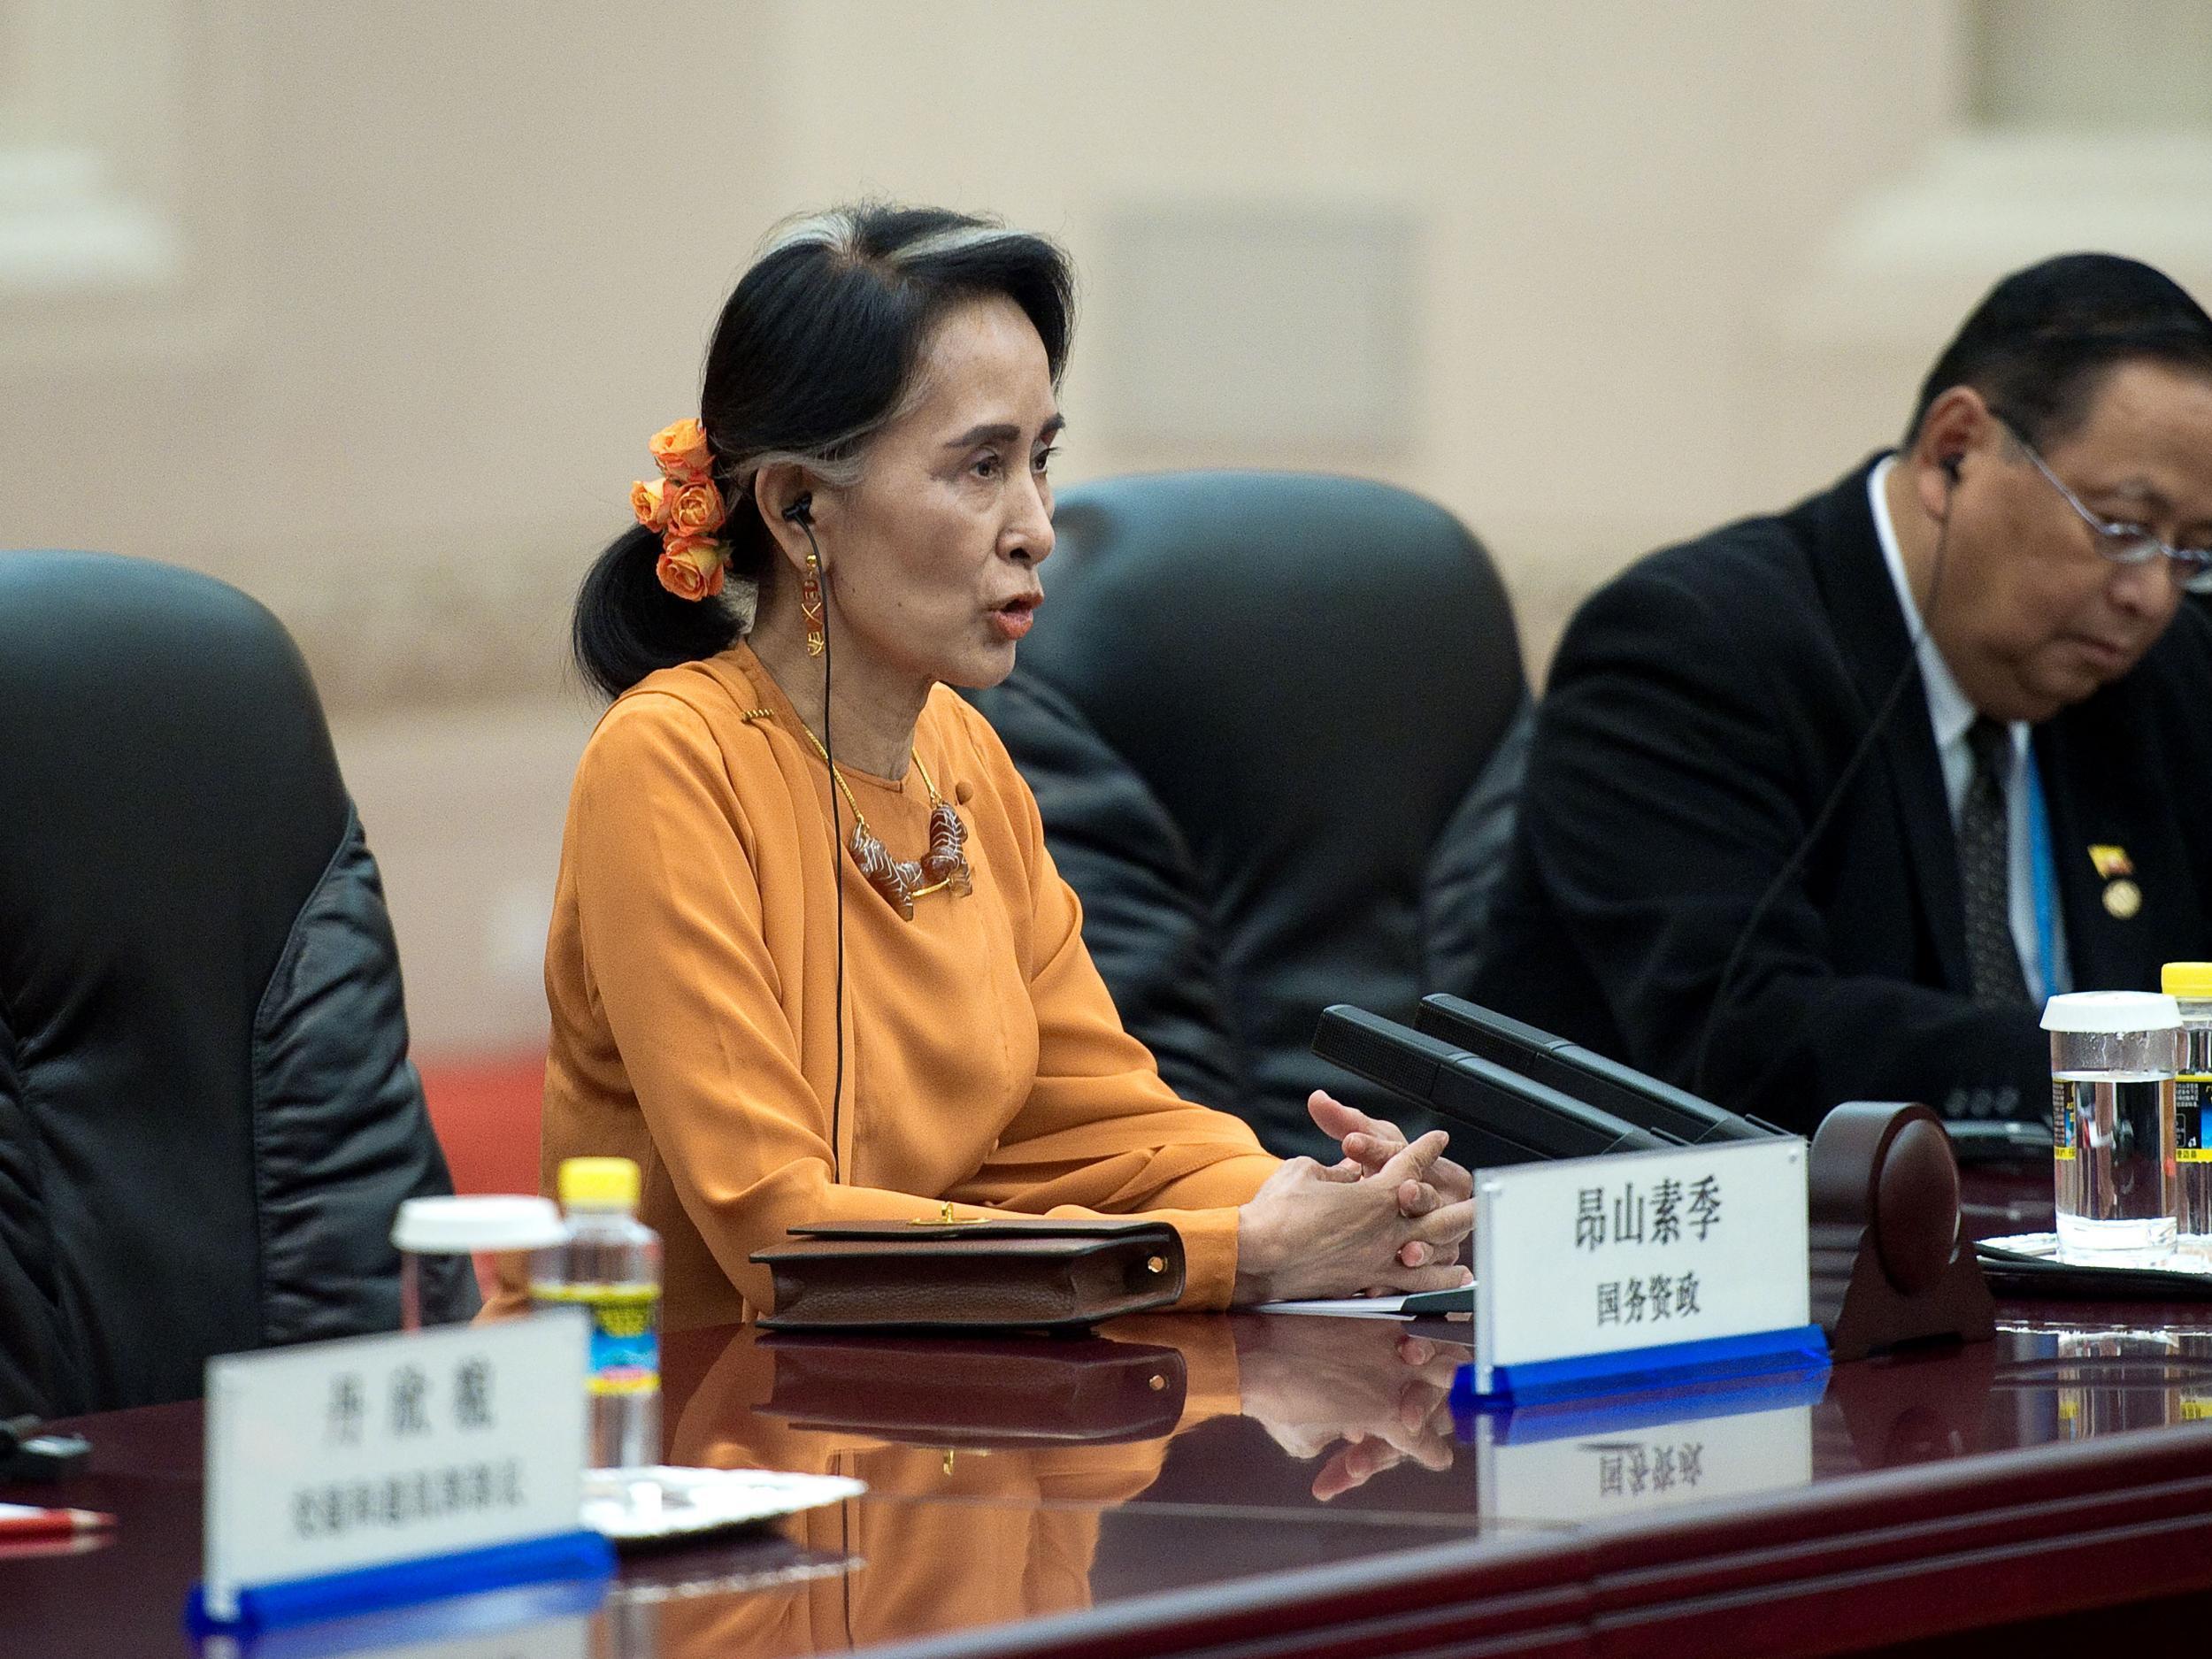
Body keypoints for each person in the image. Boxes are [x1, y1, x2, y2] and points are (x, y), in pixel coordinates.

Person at [552, 204, 1472, 1326]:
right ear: (799, 508)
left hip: (937, 1413)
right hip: (685, 1433)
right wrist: (1240, 1253)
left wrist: (1336, 1202)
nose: (1036, 524)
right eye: (980, 467)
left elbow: (1101, 1125)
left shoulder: (964, 760)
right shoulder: (671, 763)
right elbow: (780, 1235)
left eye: (1039, 459)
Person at [1473, 253, 2212, 1134]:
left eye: (2193, 550)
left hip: (2081, 1243)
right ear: (1954, 453)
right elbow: (1743, 1044)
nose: (2150, 595)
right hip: (1707, 1240)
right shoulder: (1692, 648)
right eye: (2122, 528)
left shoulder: (2166, 675)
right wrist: (2123, 1066)